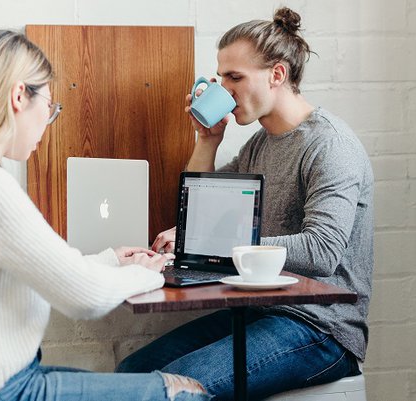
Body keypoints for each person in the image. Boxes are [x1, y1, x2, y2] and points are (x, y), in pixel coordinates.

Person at [0, 30, 210, 401]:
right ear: (19, 96)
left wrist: (112, 260)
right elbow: (84, 298)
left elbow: (42, 269)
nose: (48, 122)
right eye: (49, 106)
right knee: (188, 394)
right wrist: (148, 273)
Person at [116, 7, 374, 401]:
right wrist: (207, 141)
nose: (224, 90)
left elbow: (322, 251)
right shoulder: (259, 145)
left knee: (169, 390)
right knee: (130, 373)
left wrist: (214, 244)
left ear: (277, 75)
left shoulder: (330, 146)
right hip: (260, 310)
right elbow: (200, 215)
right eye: (220, 78)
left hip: (320, 328)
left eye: (234, 77)